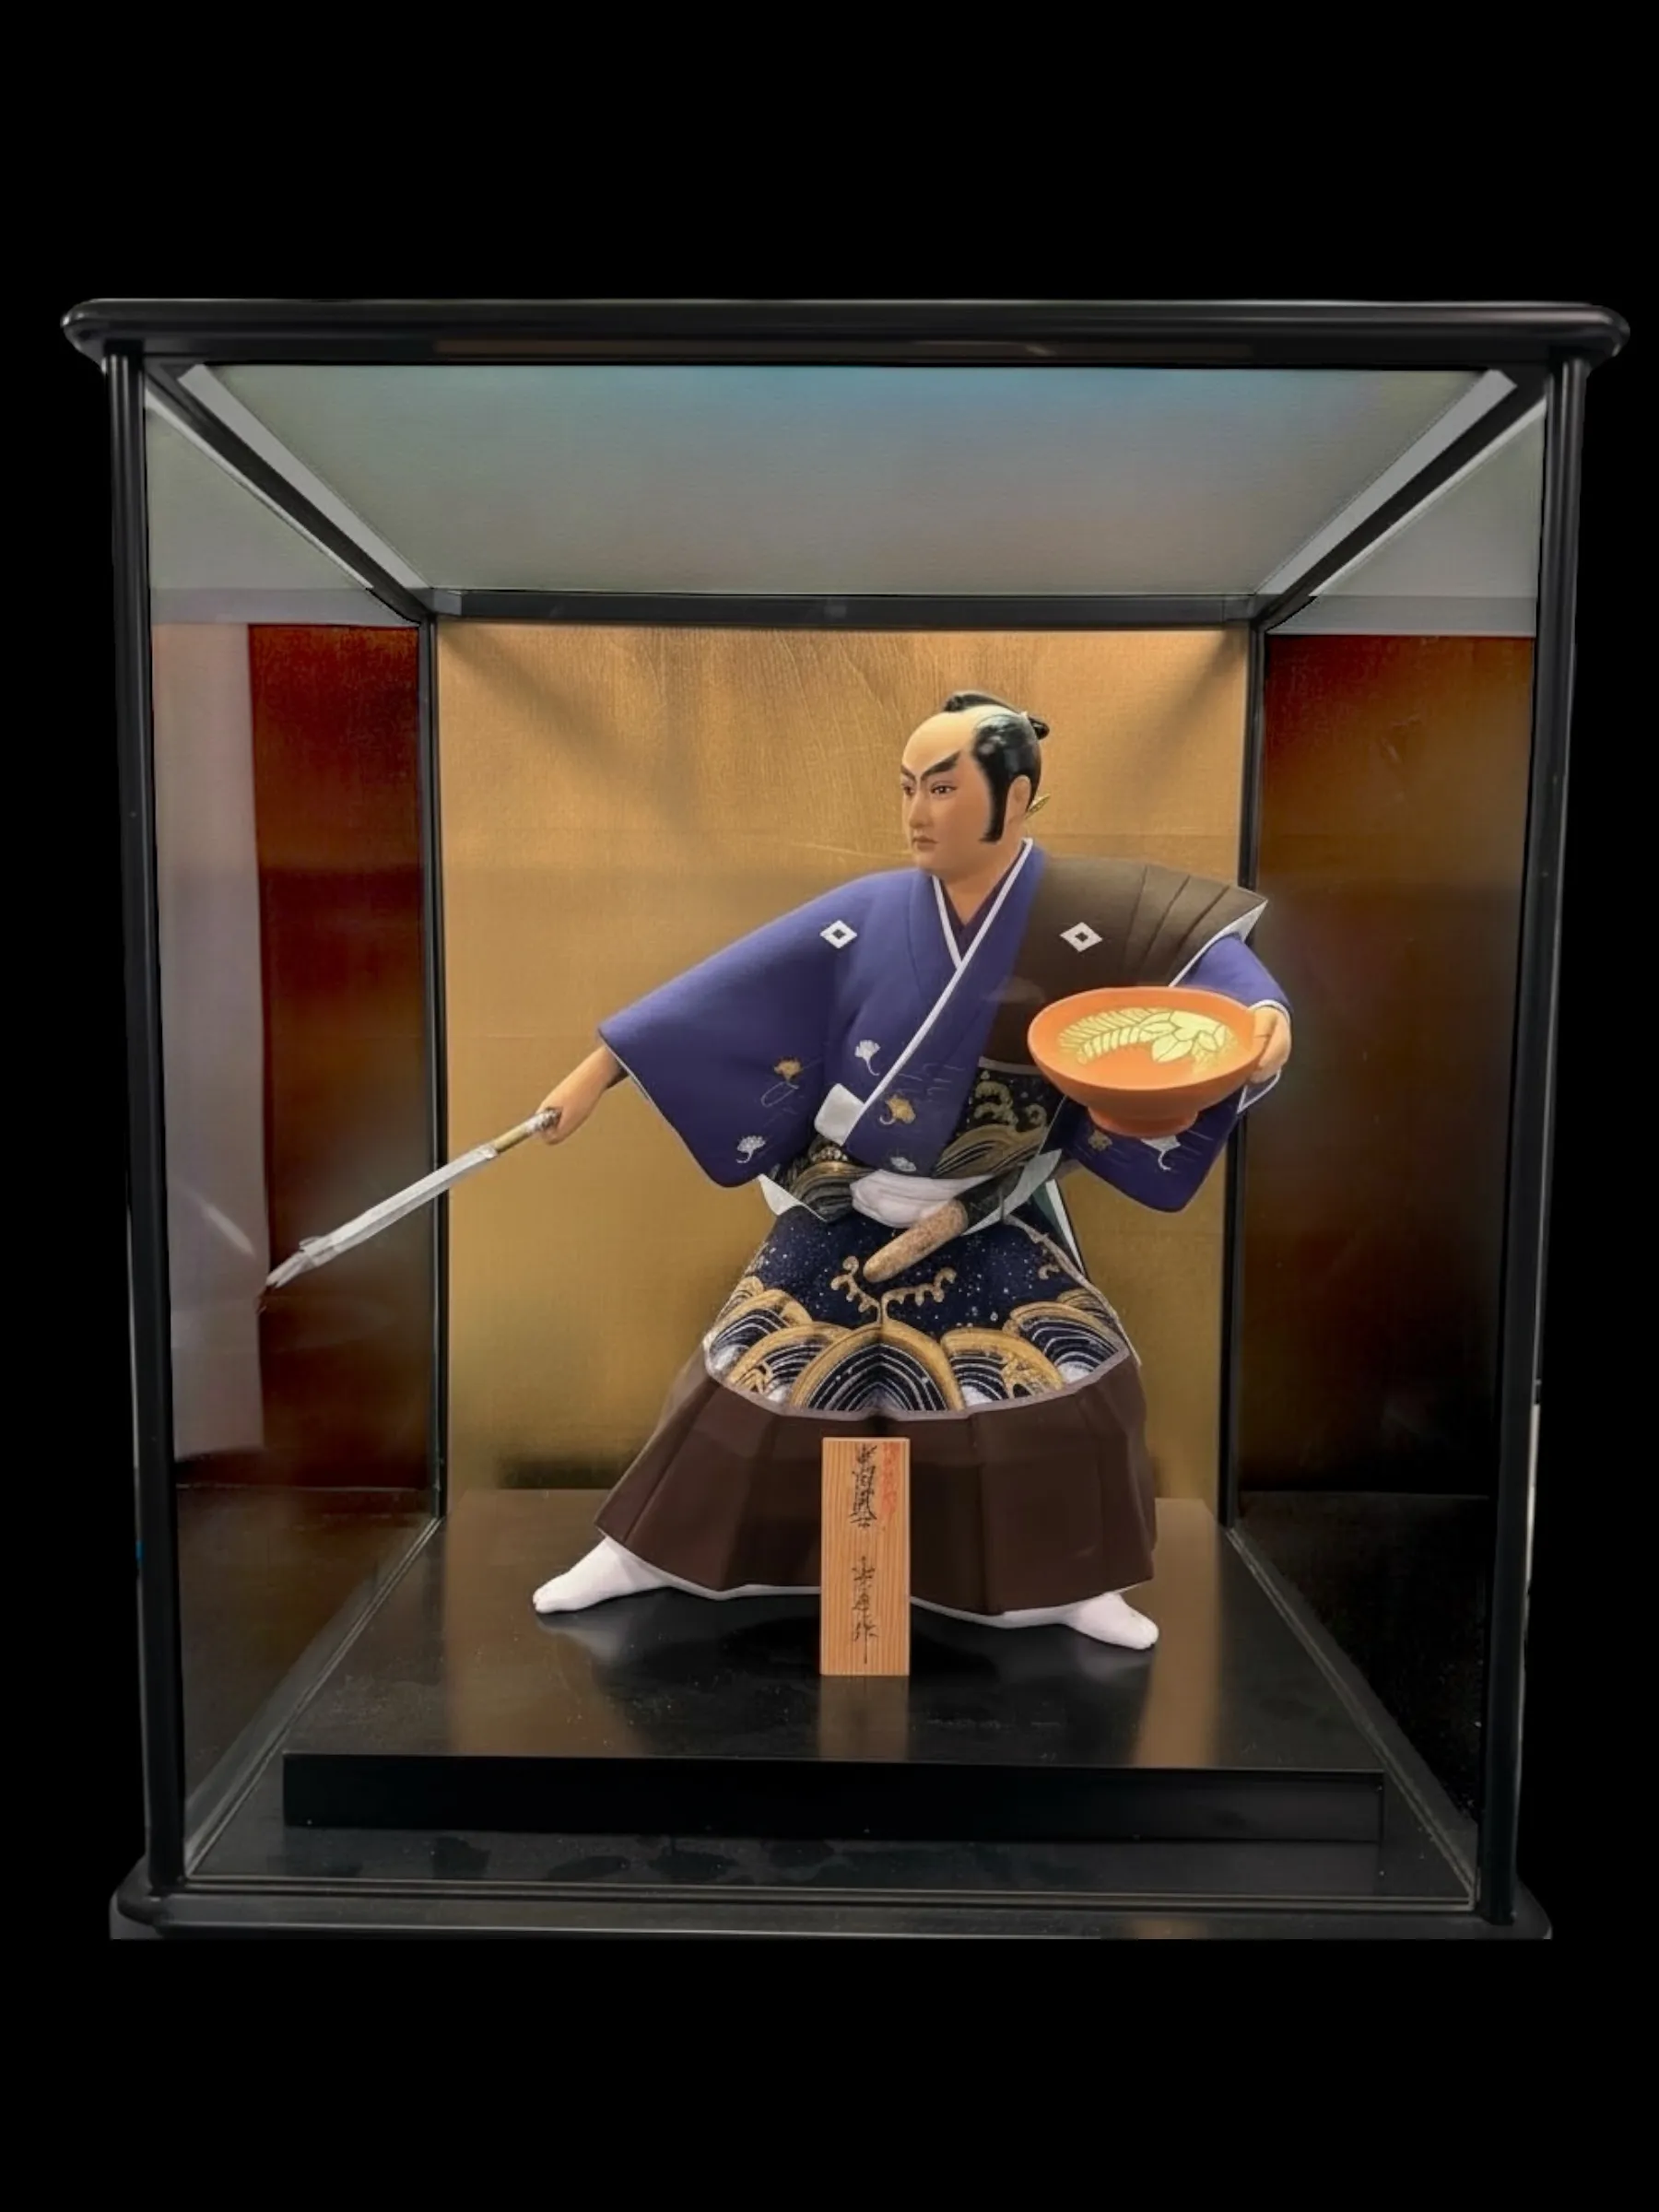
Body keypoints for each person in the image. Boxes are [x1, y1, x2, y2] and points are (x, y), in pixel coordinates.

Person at [530, 691, 1291, 1648]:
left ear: (1016, 799)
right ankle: (647, 1555)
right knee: (753, 1375)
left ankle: (1070, 1585)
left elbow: (1210, 959)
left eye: (942, 788)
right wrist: (597, 1072)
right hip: (846, 1204)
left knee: (1070, 1381)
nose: (917, 813)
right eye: (907, 789)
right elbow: (723, 992)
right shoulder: (869, 910)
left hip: (986, 1209)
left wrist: (1264, 1021)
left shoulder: (1092, 912)